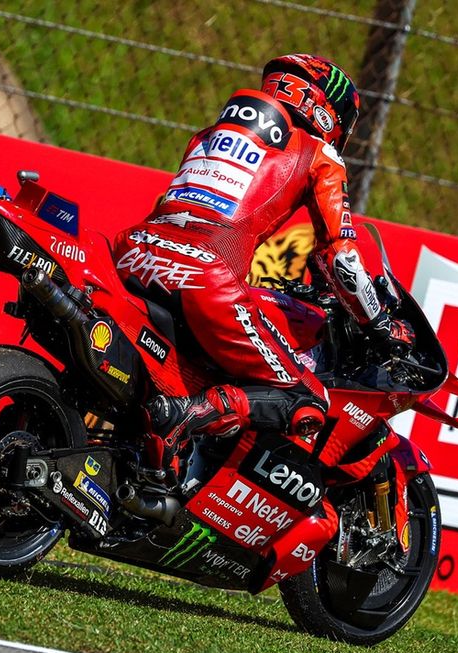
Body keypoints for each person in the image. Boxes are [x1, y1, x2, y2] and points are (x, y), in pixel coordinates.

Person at [112, 54, 414, 464]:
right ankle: (180, 418)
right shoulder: (320, 155)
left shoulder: (208, 135)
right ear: (328, 111)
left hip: (134, 251)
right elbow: (340, 259)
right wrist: (379, 322)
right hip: (204, 277)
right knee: (305, 398)